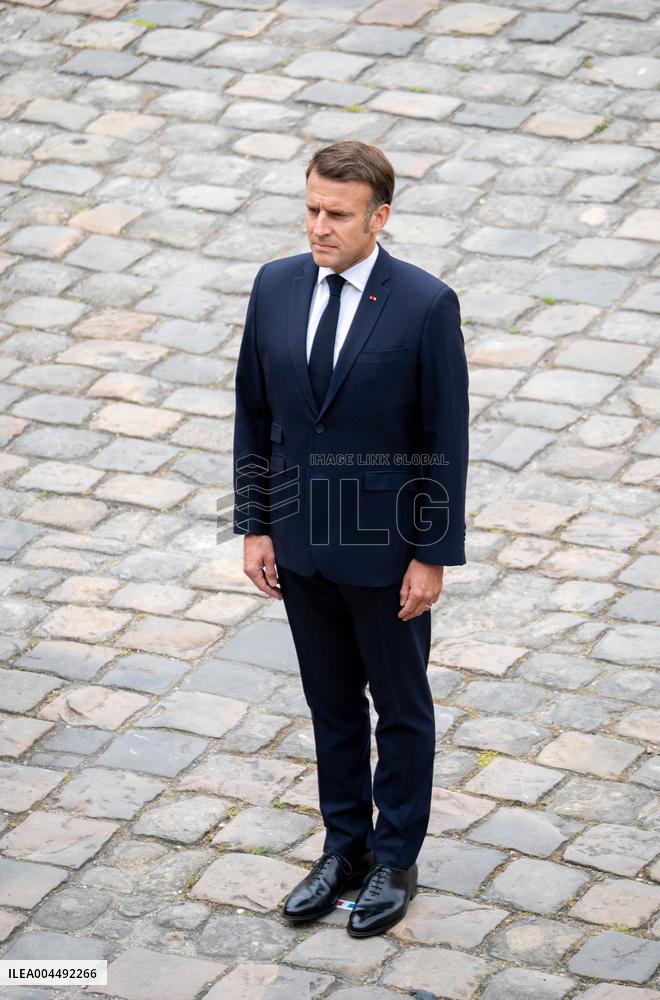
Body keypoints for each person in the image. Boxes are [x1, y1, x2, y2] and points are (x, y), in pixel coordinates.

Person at [232, 140, 469, 938]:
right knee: (330, 703)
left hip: (385, 548)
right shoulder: (273, 286)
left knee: (399, 710)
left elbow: (445, 437)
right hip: (299, 545)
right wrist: (257, 524)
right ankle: (346, 850)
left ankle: (396, 859)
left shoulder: (425, 305)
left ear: (381, 218)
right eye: (311, 209)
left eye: (336, 214)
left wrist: (432, 552)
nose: (319, 227)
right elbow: (255, 417)